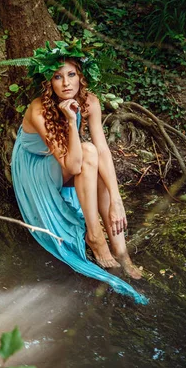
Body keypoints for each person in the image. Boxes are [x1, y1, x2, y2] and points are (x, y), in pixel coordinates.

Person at [10, 41, 148, 305]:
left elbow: (104, 150)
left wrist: (117, 201)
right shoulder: (38, 109)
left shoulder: (91, 102)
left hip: (65, 158)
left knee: (96, 158)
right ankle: (95, 236)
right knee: (86, 153)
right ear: (48, 82)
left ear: (81, 76)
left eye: (71, 74)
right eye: (57, 77)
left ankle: (121, 251)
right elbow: (71, 167)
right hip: (35, 167)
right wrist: (72, 123)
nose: (65, 83)